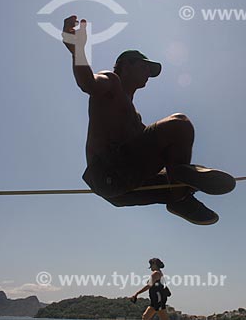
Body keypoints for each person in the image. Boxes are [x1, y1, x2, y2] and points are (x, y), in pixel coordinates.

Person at [61, 15, 235, 225]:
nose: (148, 74)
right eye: (144, 67)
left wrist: (185, 172)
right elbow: (87, 83)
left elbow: (155, 152)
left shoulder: (134, 118)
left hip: (119, 191)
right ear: (124, 65)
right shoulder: (111, 82)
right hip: (107, 171)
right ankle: (179, 193)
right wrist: (78, 50)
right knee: (180, 124)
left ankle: (179, 195)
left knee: (180, 176)